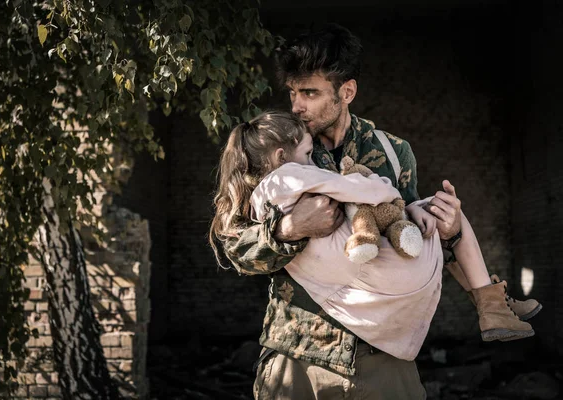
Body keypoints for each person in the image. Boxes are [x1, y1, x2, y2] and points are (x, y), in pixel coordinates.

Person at [210, 24, 541, 399]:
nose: (296, 106)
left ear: (346, 92)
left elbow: (410, 243)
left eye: (310, 93)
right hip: (297, 355)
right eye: (293, 93)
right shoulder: (276, 150)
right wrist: (285, 229)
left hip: (382, 357)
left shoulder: (393, 152)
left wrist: (444, 228)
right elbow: (232, 247)